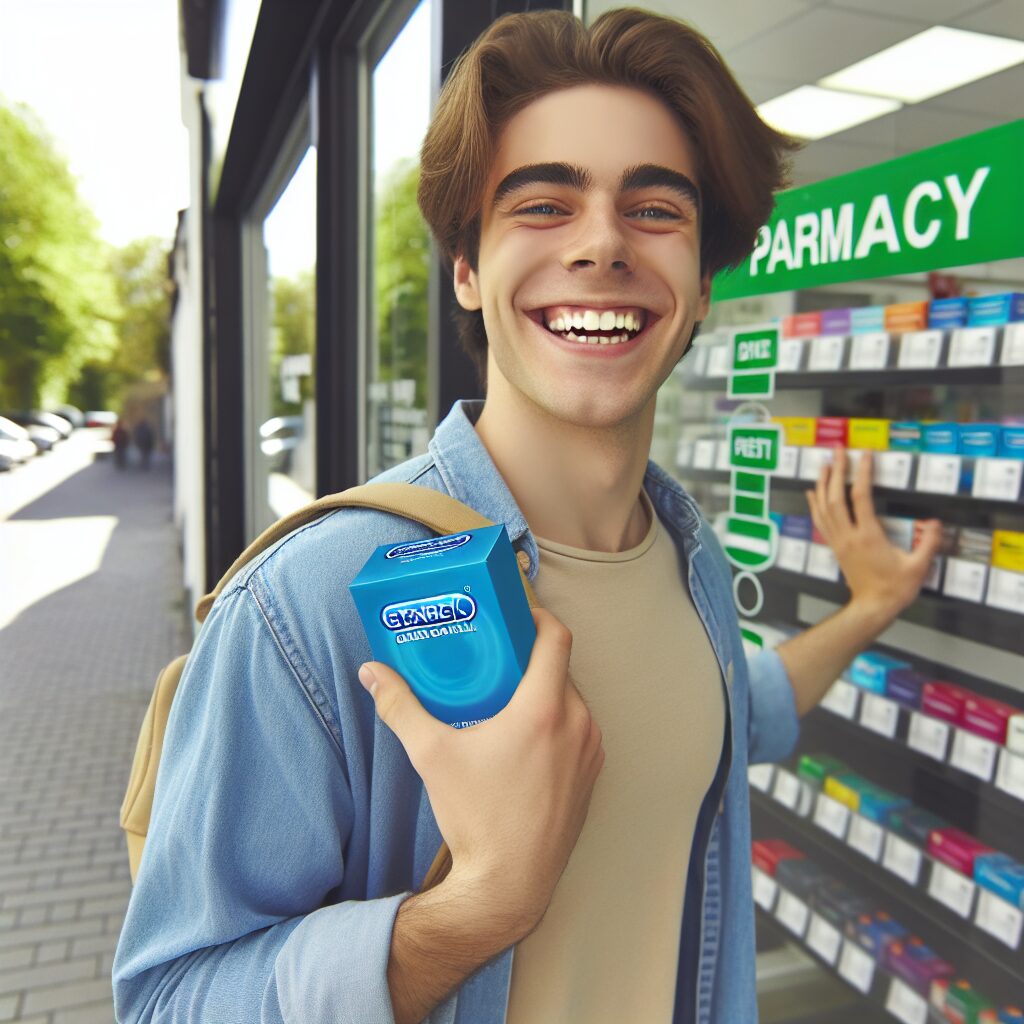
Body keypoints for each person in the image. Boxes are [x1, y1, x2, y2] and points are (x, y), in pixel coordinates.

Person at [113, 10, 942, 1024]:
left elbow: (736, 712)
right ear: (466, 267)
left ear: (701, 281)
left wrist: (871, 605)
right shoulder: (311, 600)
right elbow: (166, 998)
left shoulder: (689, 561)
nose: (601, 243)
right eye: (544, 205)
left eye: (655, 210)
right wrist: (475, 907)